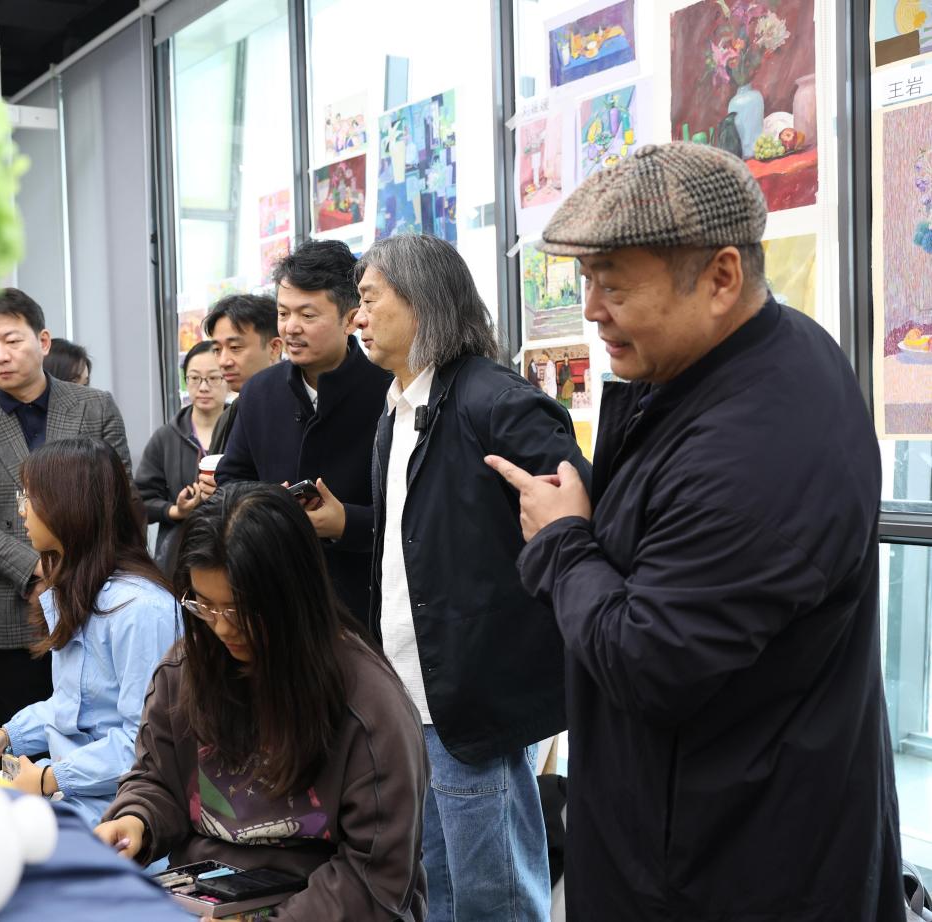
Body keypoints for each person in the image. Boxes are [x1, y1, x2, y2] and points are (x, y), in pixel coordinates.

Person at [485, 143, 905, 921]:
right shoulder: (747, 360)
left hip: (728, 864)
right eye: (584, 280)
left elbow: (648, 660)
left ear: (720, 278)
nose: (590, 309)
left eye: (612, 284)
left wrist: (562, 541)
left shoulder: (757, 447)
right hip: (712, 819)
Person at [352, 234, 586, 922]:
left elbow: (573, 519)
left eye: (368, 299)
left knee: (495, 895)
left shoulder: (495, 400)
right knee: (438, 889)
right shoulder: (396, 407)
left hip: (473, 691)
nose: (357, 317)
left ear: (421, 300)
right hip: (409, 688)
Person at [94, 483, 429, 921]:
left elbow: (376, 878)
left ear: (293, 598)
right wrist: (136, 820)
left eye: (238, 610)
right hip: (201, 900)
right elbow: (157, 779)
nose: (221, 629)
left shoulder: (369, 709)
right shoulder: (183, 673)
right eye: (204, 606)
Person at [0, 437, 179, 826]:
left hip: (118, 814)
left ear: (69, 507)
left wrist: (48, 778)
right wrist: (5, 737)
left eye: (30, 497)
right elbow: (71, 706)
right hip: (73, 794)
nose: (21, 511)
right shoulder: (77, 588)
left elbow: (144, 743)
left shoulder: (141, 610)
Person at [0, 288, 133, 732]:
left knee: (99, 728)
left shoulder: (94, 406)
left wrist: (75, 565)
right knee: (14, 738)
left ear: (43, 341)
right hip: (11, 611)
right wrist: (41, 567)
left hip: (94, 594)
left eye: (12, 340)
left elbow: (121, 496)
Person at [214, 240, 390, 621]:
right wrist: (267, 504)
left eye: (308, 315)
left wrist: (347, 523)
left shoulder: (387, 390)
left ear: (350, 319)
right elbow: (230, 481)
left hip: (364, 599)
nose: (291, 327)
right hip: (275, 594)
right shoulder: (259, 391)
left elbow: (413, 508)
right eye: (283, 313)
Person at [135, 341, 228, 570]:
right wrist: (176, 511)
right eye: (194, 378)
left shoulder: (241, 430)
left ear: (227, 378)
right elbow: (140, 499)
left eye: (213, 378)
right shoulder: (166, 437)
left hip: (234, 547)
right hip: (179, 555)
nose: (203, 387)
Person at [202, 293, 282, 453]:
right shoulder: (228, 417)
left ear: (274, 348)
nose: (223, 361)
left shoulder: (296, 411)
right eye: (217, 349)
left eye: (235, 347)